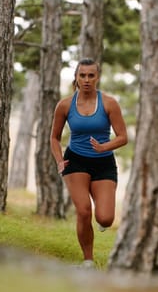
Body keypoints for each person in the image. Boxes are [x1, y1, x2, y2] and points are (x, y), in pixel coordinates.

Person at [50, 58, 128, 269]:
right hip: (75, 161)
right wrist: (59, 161)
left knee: (105, 218)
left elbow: (123, 137)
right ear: (76, 77)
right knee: (84, 211)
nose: (86, 79)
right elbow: (54, 138)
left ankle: (101, 222)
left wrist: (105, 147)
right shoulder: (65, 105)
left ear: (97, 77)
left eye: (90, 75)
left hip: (103, 162)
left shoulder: (109, 103)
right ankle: (88, 261)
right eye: (82, 75)